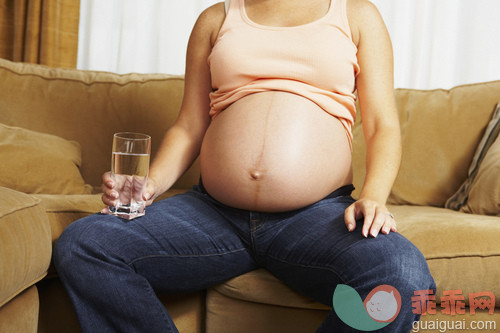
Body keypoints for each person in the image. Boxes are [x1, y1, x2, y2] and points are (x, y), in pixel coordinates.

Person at [54, 0, 435, 332]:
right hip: (212, 214)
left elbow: (382, 125)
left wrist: (373, 196)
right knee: (86, 243)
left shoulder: (356, 14)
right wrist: (148, 185)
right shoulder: (216, 19)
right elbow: (189, 126)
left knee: (403, 278)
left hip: (317, 217)